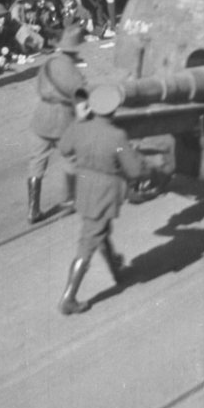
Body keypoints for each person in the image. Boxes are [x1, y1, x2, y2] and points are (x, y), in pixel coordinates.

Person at [57, 84, 145, 315]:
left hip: (84, 187)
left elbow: (64, 148)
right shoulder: (117, 135)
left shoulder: (80, 128)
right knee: (89, 241)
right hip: (104, 193)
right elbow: (135, 171)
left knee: (99, 229)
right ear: (114, 110)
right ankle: (69, 299)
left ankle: (116, 270)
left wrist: (78, 120)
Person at [26, 23, 88, 227]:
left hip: (41, 116)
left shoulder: (48, 64)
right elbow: (81, 97)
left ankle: (33, 210)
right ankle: (70, 200)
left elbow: (38, 86)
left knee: (37, 162)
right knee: (71, 157)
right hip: (63, 120)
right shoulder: (75, 73)